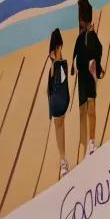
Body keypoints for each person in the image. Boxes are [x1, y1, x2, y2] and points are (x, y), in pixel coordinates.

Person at [72, 0, 104, 160]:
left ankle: (90, 142)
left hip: (88, 75)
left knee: (87, 109)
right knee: (85, 109)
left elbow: (97, 49)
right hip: (86, 74)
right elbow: (98, 50)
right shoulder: (87, 34)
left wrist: (96, 67)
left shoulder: (88, 35)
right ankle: (88, 142)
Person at [45, 28, 70, 177]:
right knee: (59, 128)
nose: (60, 49)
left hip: (61, 100)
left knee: (60, 128)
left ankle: (63, 159)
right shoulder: (55, 65)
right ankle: (62, 160)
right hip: (57, 102)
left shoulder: (60, 63)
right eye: (59, 47)